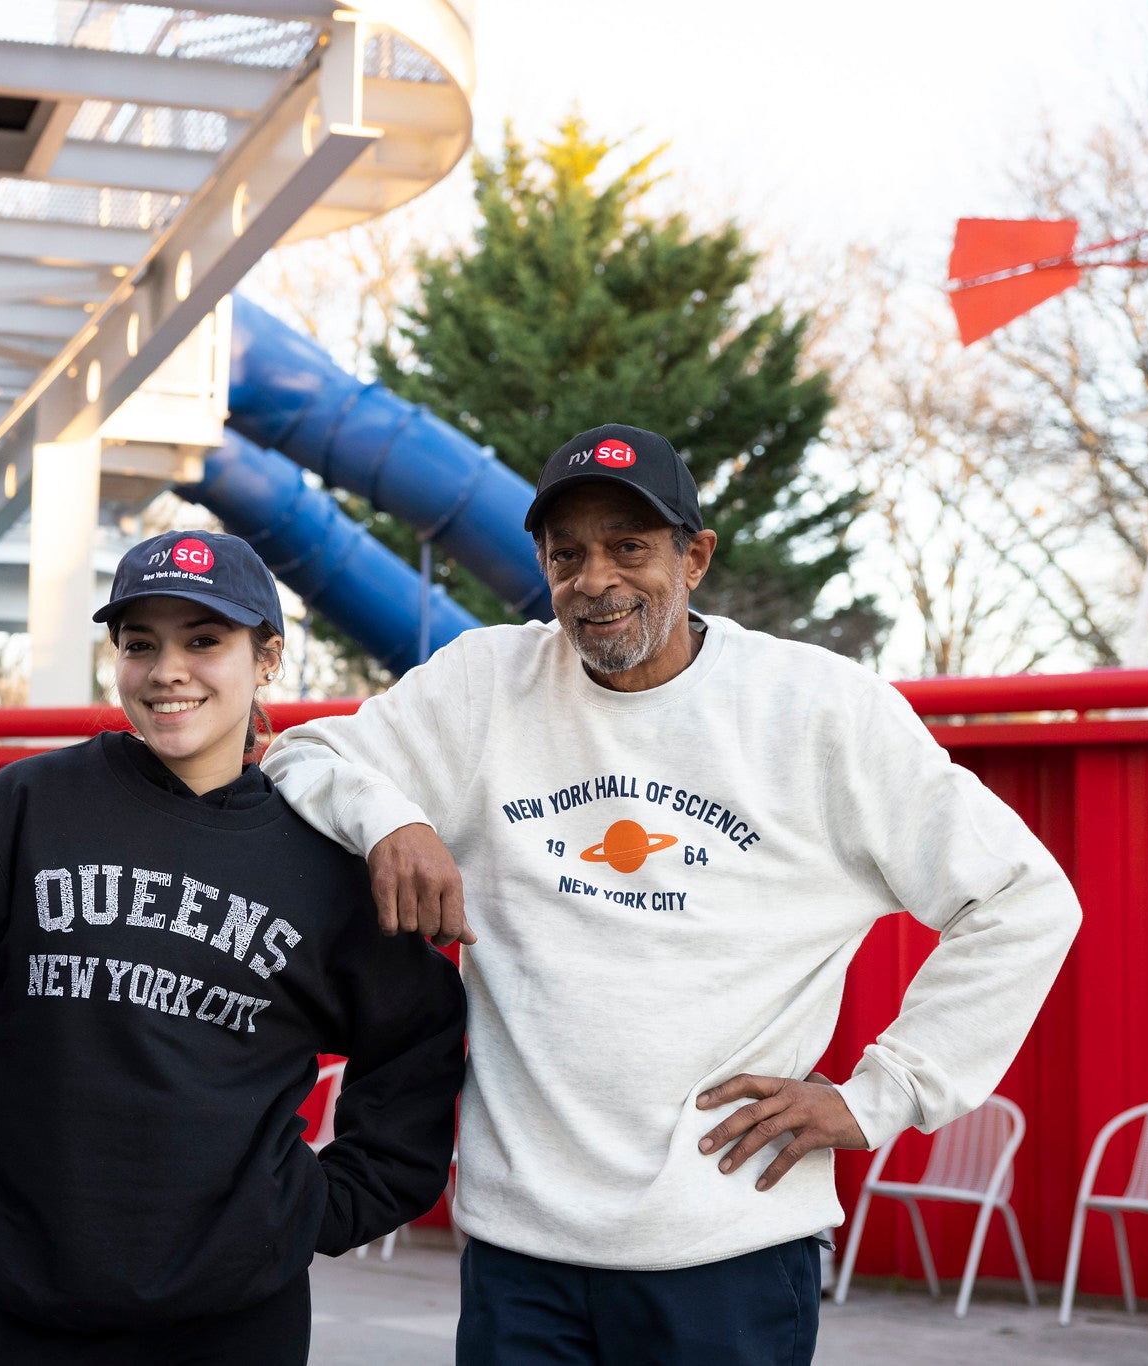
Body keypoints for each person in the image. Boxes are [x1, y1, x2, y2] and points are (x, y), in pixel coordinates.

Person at [261, 424, 1083, 1365]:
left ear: (694, 558)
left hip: (727, 1252)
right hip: (521, 1259)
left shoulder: (819, 710)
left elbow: (1024, 899)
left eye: (630, 546)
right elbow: (304, 754)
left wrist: (880, 1096)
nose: (595, 578)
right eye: (566, 554)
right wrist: (392, 820)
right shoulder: (487, 684)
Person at [0, 529, 468, 1365]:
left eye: (205, 641)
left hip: (242, 1324)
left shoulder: (318, 859)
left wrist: (322, 1207)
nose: (168, 670)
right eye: (140, 644)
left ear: (268, 657)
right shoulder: (27, 811)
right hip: (41, 1319)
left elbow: (419, 1034)